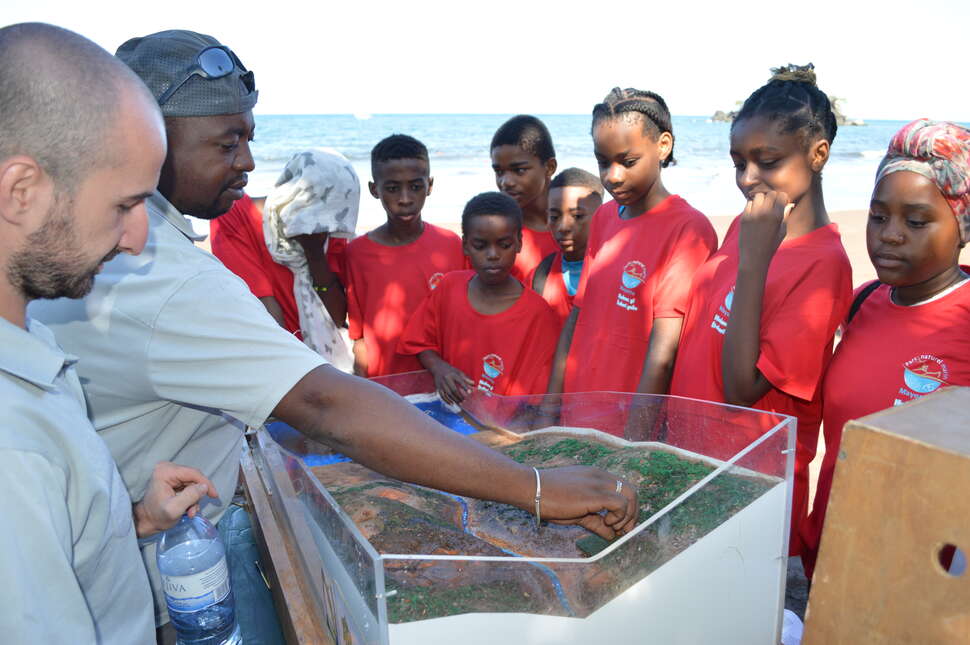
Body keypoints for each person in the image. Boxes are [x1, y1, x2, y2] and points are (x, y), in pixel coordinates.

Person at [29, 30, 638, 639]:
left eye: (250, 138)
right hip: (155, 593)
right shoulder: (159, 271)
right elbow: (326, 402)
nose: (246, 161)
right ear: (148, 137)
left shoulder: (137, 245)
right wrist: (533, 486)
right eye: (226, 141)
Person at [0, 23, 215, 644]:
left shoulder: (27, 335)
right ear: (23, 190)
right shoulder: (11, 449)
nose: (138, 238)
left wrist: (130, 519)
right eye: (124, 205)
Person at [668, 64, 853, 557]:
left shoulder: (823, 264)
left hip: (751, 490)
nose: (748, 179)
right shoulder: (747, 225)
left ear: (818, 155)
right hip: (693, 470)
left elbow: (740, 388)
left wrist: (754, 261)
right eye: (738, 161)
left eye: (767, 161)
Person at [801, 118, 970, 578]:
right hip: (835, 553)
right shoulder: (863, 301)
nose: (889, 234)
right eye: (878, 216)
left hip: (923, 579)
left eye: (916, 221)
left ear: (962, 226)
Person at [548, 88, 717, 396]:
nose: (612, 176)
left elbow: (663, 355)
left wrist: (635, 440)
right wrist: (551, 406)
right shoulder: (604, 217)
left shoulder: (689, 229)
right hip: (580, 401)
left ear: (663, 145)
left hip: (631, 419)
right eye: (603, 162)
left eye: (628, 161)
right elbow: (578, 315)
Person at [399, 192, 561, 403]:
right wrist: (440, 368)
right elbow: (419, 342)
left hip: (503, 426)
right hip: (449, 414)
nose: (493, 255)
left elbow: (538, 394)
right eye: (480, 245)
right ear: (466, 245)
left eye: (504, 245)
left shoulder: (537, 312)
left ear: (519, 243)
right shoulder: (449, 287)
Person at [212, 149, 356, 369]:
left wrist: (315, 254)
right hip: (273, 357)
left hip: (325, 360)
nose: (331, 222)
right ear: (296, 195)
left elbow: (336, 317)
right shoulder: (236, 215)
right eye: (324, 211)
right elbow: (263, 312)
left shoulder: (329, 227)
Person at [345, 134, 466, 377]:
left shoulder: (452, 245)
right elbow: (359, 338)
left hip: (445, 384)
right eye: (392, 188)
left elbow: (465, 321)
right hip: (386, 385)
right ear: (374, 189)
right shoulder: (356, 253)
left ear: (429, 186)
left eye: (415, 186)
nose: (405, 199)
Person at [526, 168, 603, 325]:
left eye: (577, 216)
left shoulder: (614, 271)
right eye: (554, 217)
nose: (563, 227)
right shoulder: (540, 275)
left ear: (602, 215)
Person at [491, 115, 560, 279]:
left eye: (519, 170)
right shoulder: (496, 236)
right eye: (499, 172)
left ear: (550, 167)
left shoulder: (580, 224)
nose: (506, 182)